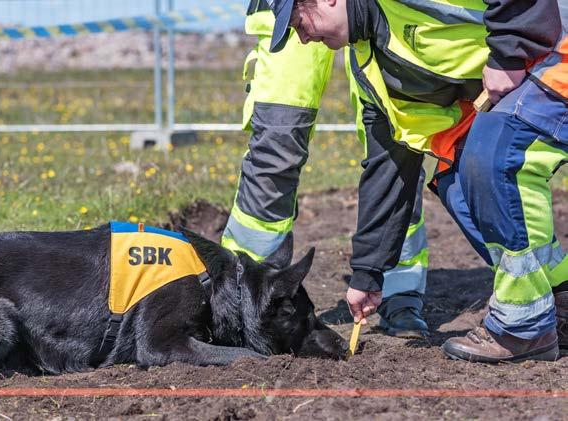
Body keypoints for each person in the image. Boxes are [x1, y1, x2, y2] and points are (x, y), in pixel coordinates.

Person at [268, 0, 567, 362]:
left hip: (553, 46)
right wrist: (367, 273)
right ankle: (560, 301)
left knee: (494, 159)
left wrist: (509, 50)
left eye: (299, 23)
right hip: (526, 68)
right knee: (459, 185)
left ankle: (522, 327)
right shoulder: (370, 68)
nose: (303, 39)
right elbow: (389, 167)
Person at [220, 0, 430, 338]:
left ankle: (400, 288)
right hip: (288, 11)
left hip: (376, 9)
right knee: (275, 149)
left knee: (398, 141)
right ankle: (238, 288)